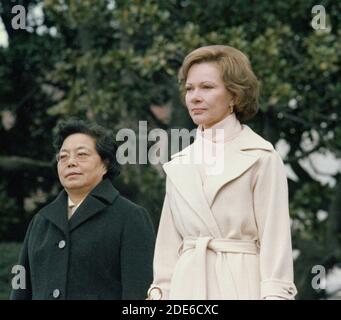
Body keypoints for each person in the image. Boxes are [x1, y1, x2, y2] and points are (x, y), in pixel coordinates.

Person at [147, 45, 297, 300]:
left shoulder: (261, 157)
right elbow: (166, 253)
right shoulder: (178, 164)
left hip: (241, 286)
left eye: (207, 87)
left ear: (235, 96)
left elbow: (276, 246)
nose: (194, 97)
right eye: (189, 88)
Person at [11, 119, 155, 300]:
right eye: (63, 157)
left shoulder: (130, 217)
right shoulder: (41, 221)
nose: (70, 162)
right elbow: (21, 292)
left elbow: (139, 294)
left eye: (81, 155)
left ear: (105, 164)